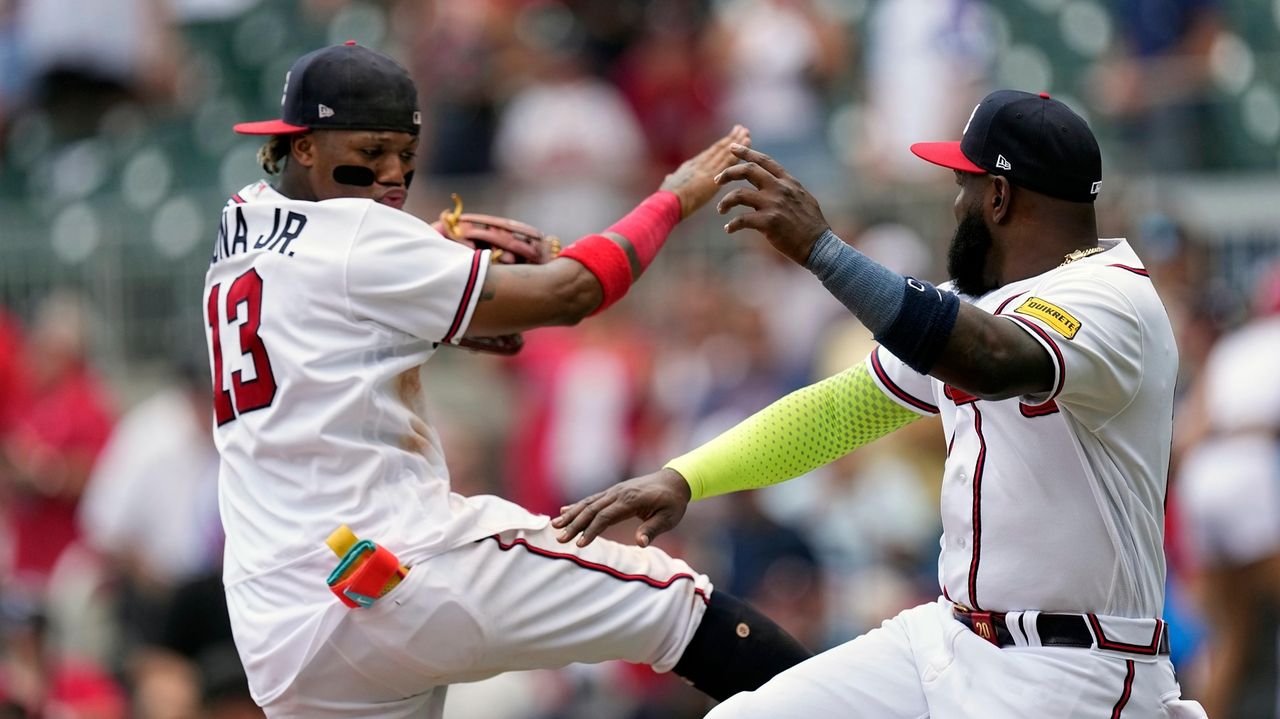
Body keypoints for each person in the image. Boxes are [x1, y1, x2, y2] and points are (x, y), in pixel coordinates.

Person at [555, 90, 1208, 717]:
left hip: (1075, 665)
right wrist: (687, 476)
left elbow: (992, 358)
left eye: (965, 185)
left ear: (1000, 197)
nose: (956, 204)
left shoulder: (1112, 300)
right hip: (950, 637)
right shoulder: (980, 299)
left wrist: (822, 250)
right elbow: (842, 410)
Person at [203, 42, 809, 719]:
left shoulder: (240, 226)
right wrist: (674, 197)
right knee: (676, 605)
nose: (394, 172)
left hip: (278, 624)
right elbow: (572, 292)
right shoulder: (359, 238)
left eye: (406, 151)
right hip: (394, 567)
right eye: (372, 151)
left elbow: (334, 298)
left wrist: (428, 274)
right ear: (306, 146)